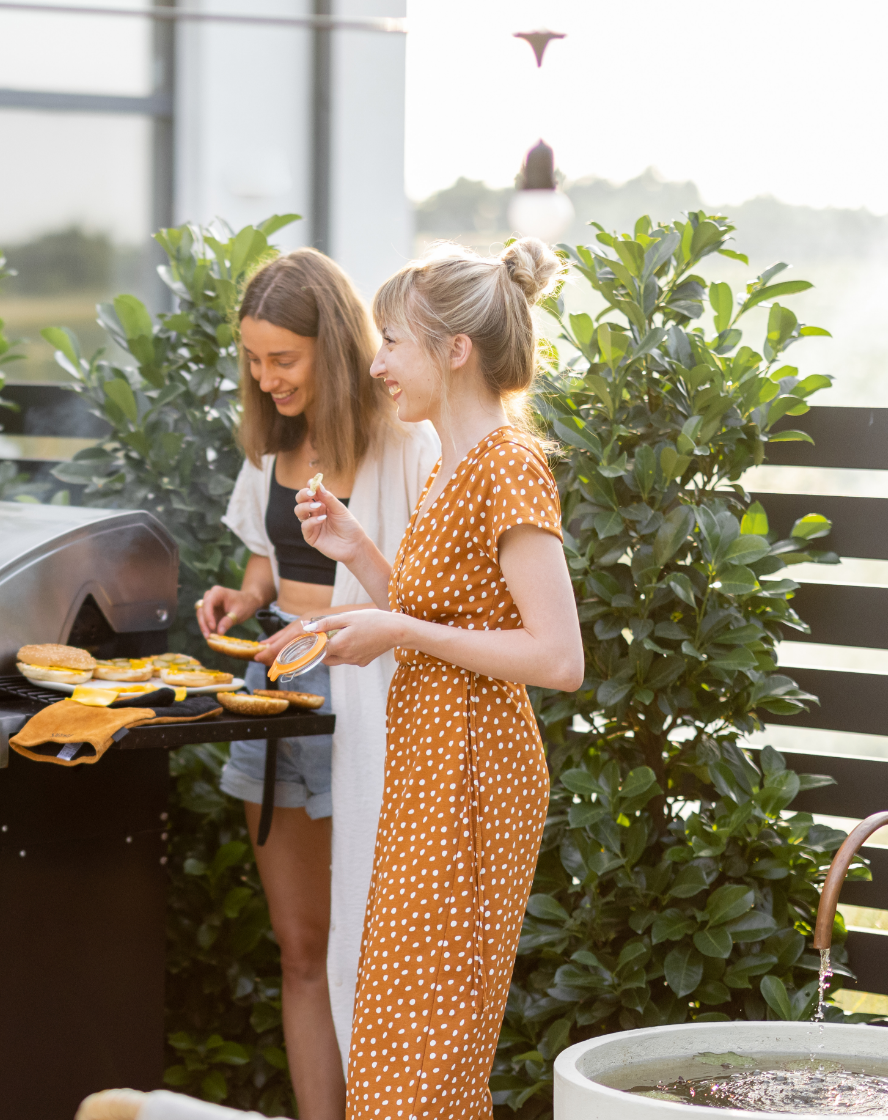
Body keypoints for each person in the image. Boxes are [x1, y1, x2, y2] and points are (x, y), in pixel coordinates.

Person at [296, 239, 584, 1120]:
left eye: (393, 341)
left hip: (475, 776)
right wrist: (359, 555)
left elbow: (558, 658)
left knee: (427, 1048)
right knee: (398, 1029)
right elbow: (452, 624)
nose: (375, 362)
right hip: (433, 769)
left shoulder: (507, 465)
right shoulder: (452, 465)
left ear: (456, 350)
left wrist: (397, 628)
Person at [196, 248, 438, 1120]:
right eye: (254, 361)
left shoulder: (407, 439)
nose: (266, 380)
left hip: (363, 698)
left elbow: (426, 600)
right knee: (301, 948)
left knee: (370, 948)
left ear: (332, 348)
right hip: (276, 693)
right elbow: (270, 557)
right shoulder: (275, 443)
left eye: (283, 360)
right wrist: (244, 596)